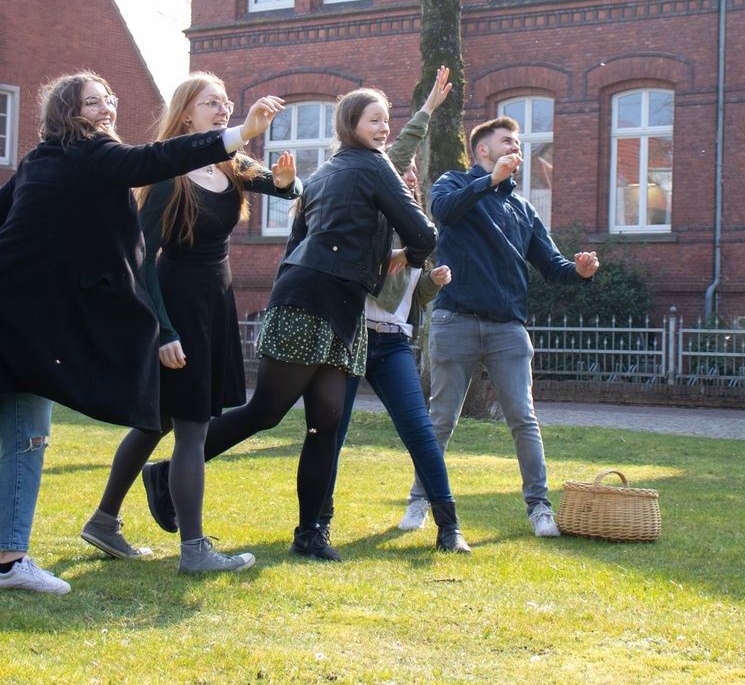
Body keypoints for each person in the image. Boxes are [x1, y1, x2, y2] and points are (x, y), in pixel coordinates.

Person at [0, 71, 285, 594]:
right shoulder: (90, 156)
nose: (106, 109)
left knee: (27, 441)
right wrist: (239, 132)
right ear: (69, 115)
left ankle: (11, 564)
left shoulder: (47, 162)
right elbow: (154, 161)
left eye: (108, 99)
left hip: (35, 327)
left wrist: (49, 255)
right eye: (93, 103)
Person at [143, 84, 438, 561]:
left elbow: (297, 238)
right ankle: (165, 473)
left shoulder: (322, 174)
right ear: (351, 128)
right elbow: (421, 229)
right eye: (374, 121)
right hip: (313, 300)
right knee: (269, 411)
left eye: (387, 120)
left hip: (326, 300)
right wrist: (414, 253)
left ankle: (310, 533)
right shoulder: (371, 165)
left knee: (325, 420)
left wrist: (390, 257)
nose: (384, 129)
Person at [80, 73, 300, 574]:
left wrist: (288, 181)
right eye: (211, 104)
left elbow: (288, 190)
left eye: (225, 103)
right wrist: (163, 331)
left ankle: (103, 522)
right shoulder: (166, 173)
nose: (222, 110)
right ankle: (195, 550)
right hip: (177, 303)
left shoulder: (231, 162)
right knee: (192, 429)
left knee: (157, 420)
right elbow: (140, 258)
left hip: (215, 301)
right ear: (185, 114)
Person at [399, 115, 600, 538]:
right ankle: (420, 500)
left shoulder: (522, 208)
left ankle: (539, 508)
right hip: (455, 321)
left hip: (508, 328)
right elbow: (444, 213)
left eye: (519, 144)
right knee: (440, 420)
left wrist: (580, 271)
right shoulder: (454, 184)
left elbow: (551, 265)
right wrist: (489, 181)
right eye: (507, 141)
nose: (516, 149)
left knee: (523, 420)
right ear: (483, 151)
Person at [325, 67, 470, 553]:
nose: (404, 177)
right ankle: (318, 525)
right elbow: (397, 151)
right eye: (375, 120)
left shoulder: (414, 222)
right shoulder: (367, 201)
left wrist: (428, 280)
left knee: (420, 432)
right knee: (332, 432)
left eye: (408, 178)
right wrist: (425, 111)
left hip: (389, 342)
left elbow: (410, 294)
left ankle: (449, 526)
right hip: (349, 333)